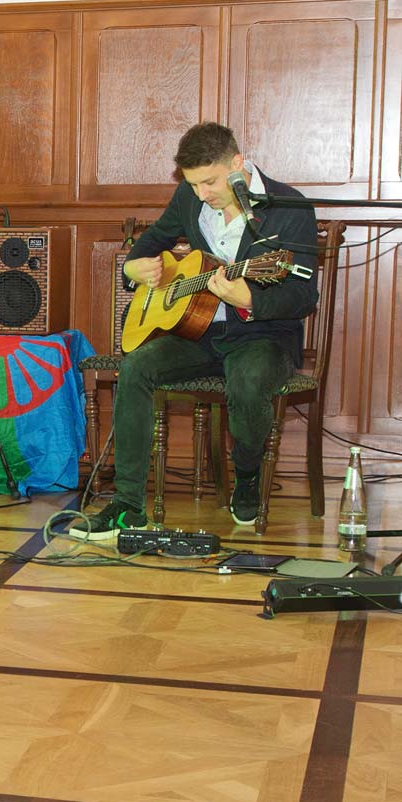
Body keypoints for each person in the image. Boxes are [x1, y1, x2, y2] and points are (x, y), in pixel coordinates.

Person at [74, 122, 319, 538]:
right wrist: (133, 268)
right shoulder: (189, 197)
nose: (201, 194)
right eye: (193, 184)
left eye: (210, 182)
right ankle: (129, 505)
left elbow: (303, 296)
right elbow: (153, 240)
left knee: (248, 379)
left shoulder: (290, 209)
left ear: (237, 164)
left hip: (263, 336)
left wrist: (250, 301)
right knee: (136, 368)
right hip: (200, 334)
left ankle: (246, 474)